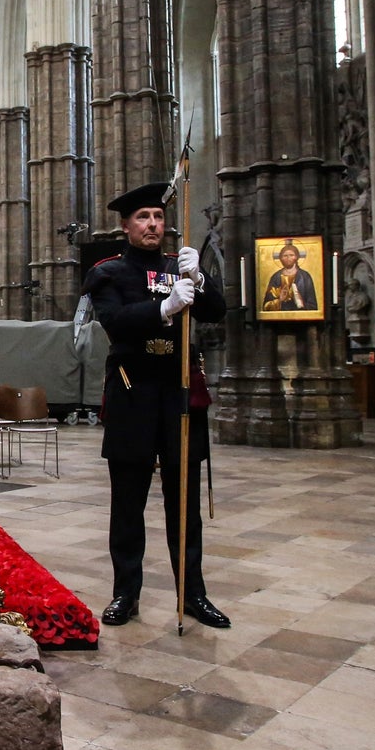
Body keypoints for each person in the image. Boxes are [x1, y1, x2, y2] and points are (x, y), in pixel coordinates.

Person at [81, 181, 231, 629]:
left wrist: (200, 281)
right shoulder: (108, 272)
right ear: (125, 226)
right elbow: (114, 322)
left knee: (182, 503)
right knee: (128, 503)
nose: (153, 225)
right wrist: (164, 308)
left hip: (178, 393)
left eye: (159, 217)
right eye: (143, 218)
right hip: (133, 392)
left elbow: (216, 312)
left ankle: (193, 594)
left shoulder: (178, 266)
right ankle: (125, 593)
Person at [262, 242, 318, 312]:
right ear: (281, 258)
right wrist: (280, 300)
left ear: (297, 257)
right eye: (285, 255)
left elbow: (313, 305)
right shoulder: (276, 277)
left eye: (291, 255)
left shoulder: (305, 276)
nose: (288, 258)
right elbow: (266, 306)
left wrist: (301, 303)